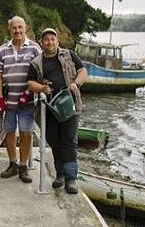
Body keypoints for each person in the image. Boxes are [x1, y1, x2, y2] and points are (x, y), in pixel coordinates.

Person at [27, 27, 87, 194]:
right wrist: (42, 88)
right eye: (46, 39)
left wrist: (76, 84)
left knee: (69, 141)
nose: (50, 42)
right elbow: (30, 83)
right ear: (41, 43)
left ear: (57, 41)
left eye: (53, 39)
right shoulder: (36, 62)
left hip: (69, 104)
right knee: (54, 141)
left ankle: (71, 179)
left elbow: (82, 71)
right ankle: (60, 174)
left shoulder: (69, 55)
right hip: (48, 108)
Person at [0, 16, 41, 183]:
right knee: (9, 131)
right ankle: (12, 164)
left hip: (27, 100)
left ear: (25, 28)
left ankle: (23, 166)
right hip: (8, 100)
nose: (17, 30)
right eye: (14, 28)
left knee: (27, 133)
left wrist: (29, 91)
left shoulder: (35, 48)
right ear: (10, 29)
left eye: (20, 27)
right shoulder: (2, 50)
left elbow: (40, 72)